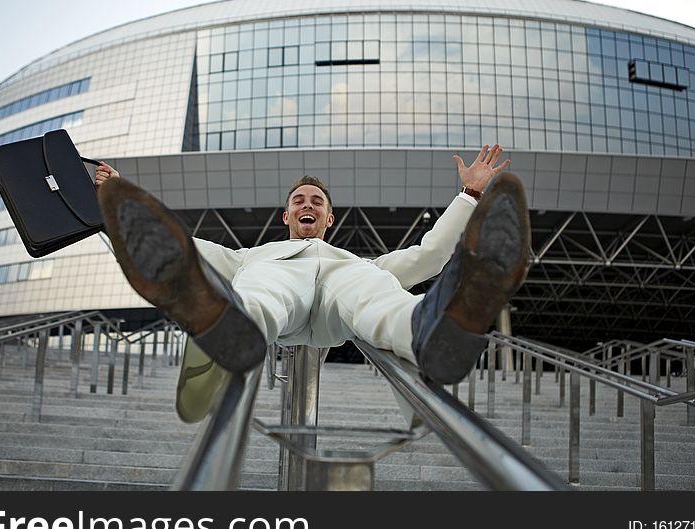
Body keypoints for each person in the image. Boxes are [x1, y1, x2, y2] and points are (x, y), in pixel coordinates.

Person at [94, 145, 529, 387]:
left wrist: (469, 195)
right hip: (277, 295)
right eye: (299, 201)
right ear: (286, 216)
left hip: (342, 298)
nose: (308, 205)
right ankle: (236, 326)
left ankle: (424, 331)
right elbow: (183, 249)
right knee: (262, 286)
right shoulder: (253, 256)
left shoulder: (359, 262)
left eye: (316, 202)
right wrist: (116, 208)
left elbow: (430, 254)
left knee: (375, 291)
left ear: (328, 218)